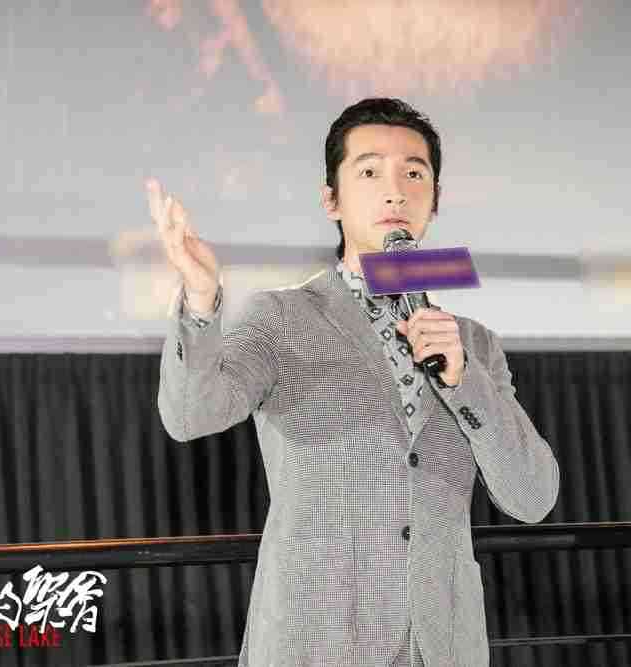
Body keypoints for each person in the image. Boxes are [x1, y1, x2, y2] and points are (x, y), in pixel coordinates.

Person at [146, 98, 559, 667]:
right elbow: (190, 415)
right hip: (318, 640)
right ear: (331, 200)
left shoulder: (474, 344)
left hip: (440, 648)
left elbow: (532, 497)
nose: (395, 192)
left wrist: (464, 379)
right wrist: (199, 300)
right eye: (369, 172)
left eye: (414, 173)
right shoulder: (283, 317)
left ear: (435, 199)